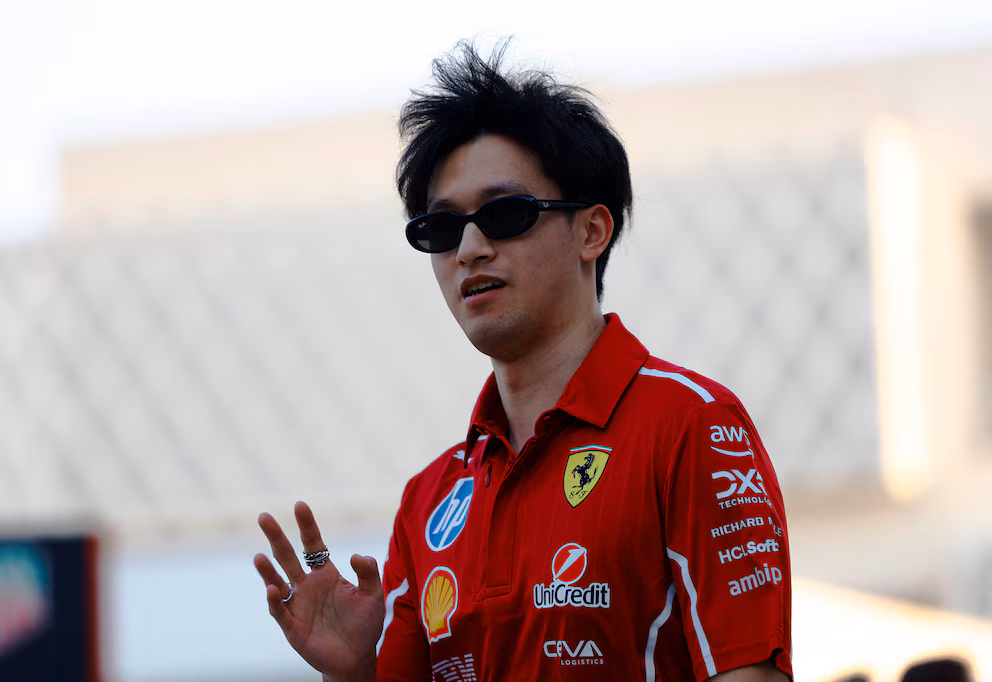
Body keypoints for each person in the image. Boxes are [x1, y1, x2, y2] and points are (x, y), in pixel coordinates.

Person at [254, 40, 792, 681]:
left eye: (504, 213)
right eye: (442, 228)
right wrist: (352, 674)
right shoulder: (427, 501)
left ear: (592, 231)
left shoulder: (692, 425)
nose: (469, 248)